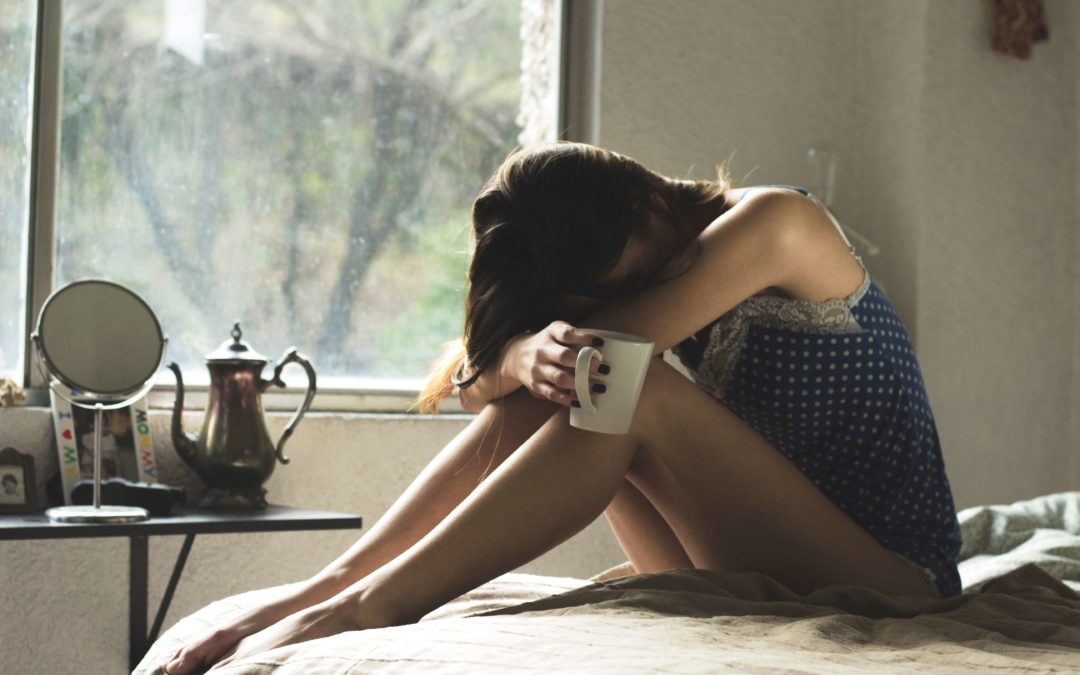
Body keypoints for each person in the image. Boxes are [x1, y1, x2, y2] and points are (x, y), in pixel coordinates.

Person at [165, 142, 962, 674]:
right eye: (601, 294)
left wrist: (530, 353)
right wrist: (516, 351)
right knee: (571, 381)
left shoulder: (778, 222)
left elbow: (599, 357)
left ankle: (370, 604)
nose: (634, 294)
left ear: (650, 200)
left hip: (889, 576)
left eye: (629, 276)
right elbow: (476, 383)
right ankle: (327, 588)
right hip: (748, 563)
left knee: (617, 379)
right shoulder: (628, 256)